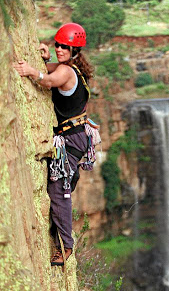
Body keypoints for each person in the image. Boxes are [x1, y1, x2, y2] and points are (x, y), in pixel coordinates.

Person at [13, 23, 99, 266]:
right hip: (78, 136)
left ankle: (67, 246)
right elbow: (51, 70)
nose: (59, 48)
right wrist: (45, 59)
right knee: (63, 181)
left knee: (57, 191)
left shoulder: (67, 72)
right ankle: (70, 178)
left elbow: (49, 80)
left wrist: (31, 71)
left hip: (72, 139)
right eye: (57, 44)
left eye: (65, 47)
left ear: (75, 50)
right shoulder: (73, 69)